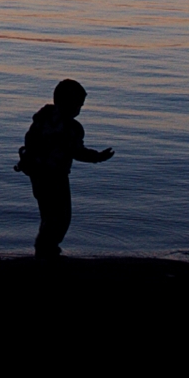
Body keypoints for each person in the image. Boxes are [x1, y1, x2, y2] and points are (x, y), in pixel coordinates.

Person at [15, 79, 114, 259]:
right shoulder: (71, 128)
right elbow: (77, 152)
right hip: (55, 176)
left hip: (37, 175)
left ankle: (45, 249)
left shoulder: (42, 118)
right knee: (61, 216)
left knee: (48, 214)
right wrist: (98, 157)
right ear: (70, 103)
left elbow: (30, 141)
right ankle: (47, 249)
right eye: (78, 106)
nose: (79, 110)